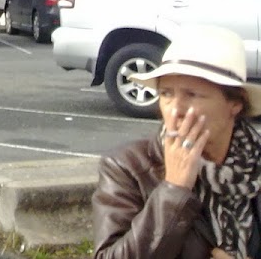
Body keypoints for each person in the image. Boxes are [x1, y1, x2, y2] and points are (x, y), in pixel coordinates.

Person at [93, 25, 261, 258]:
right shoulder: (128, 166)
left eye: (192, 95)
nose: (175, 111)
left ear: (235, 104)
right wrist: (174, 190)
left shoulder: (255, 162)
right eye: (166, 94)